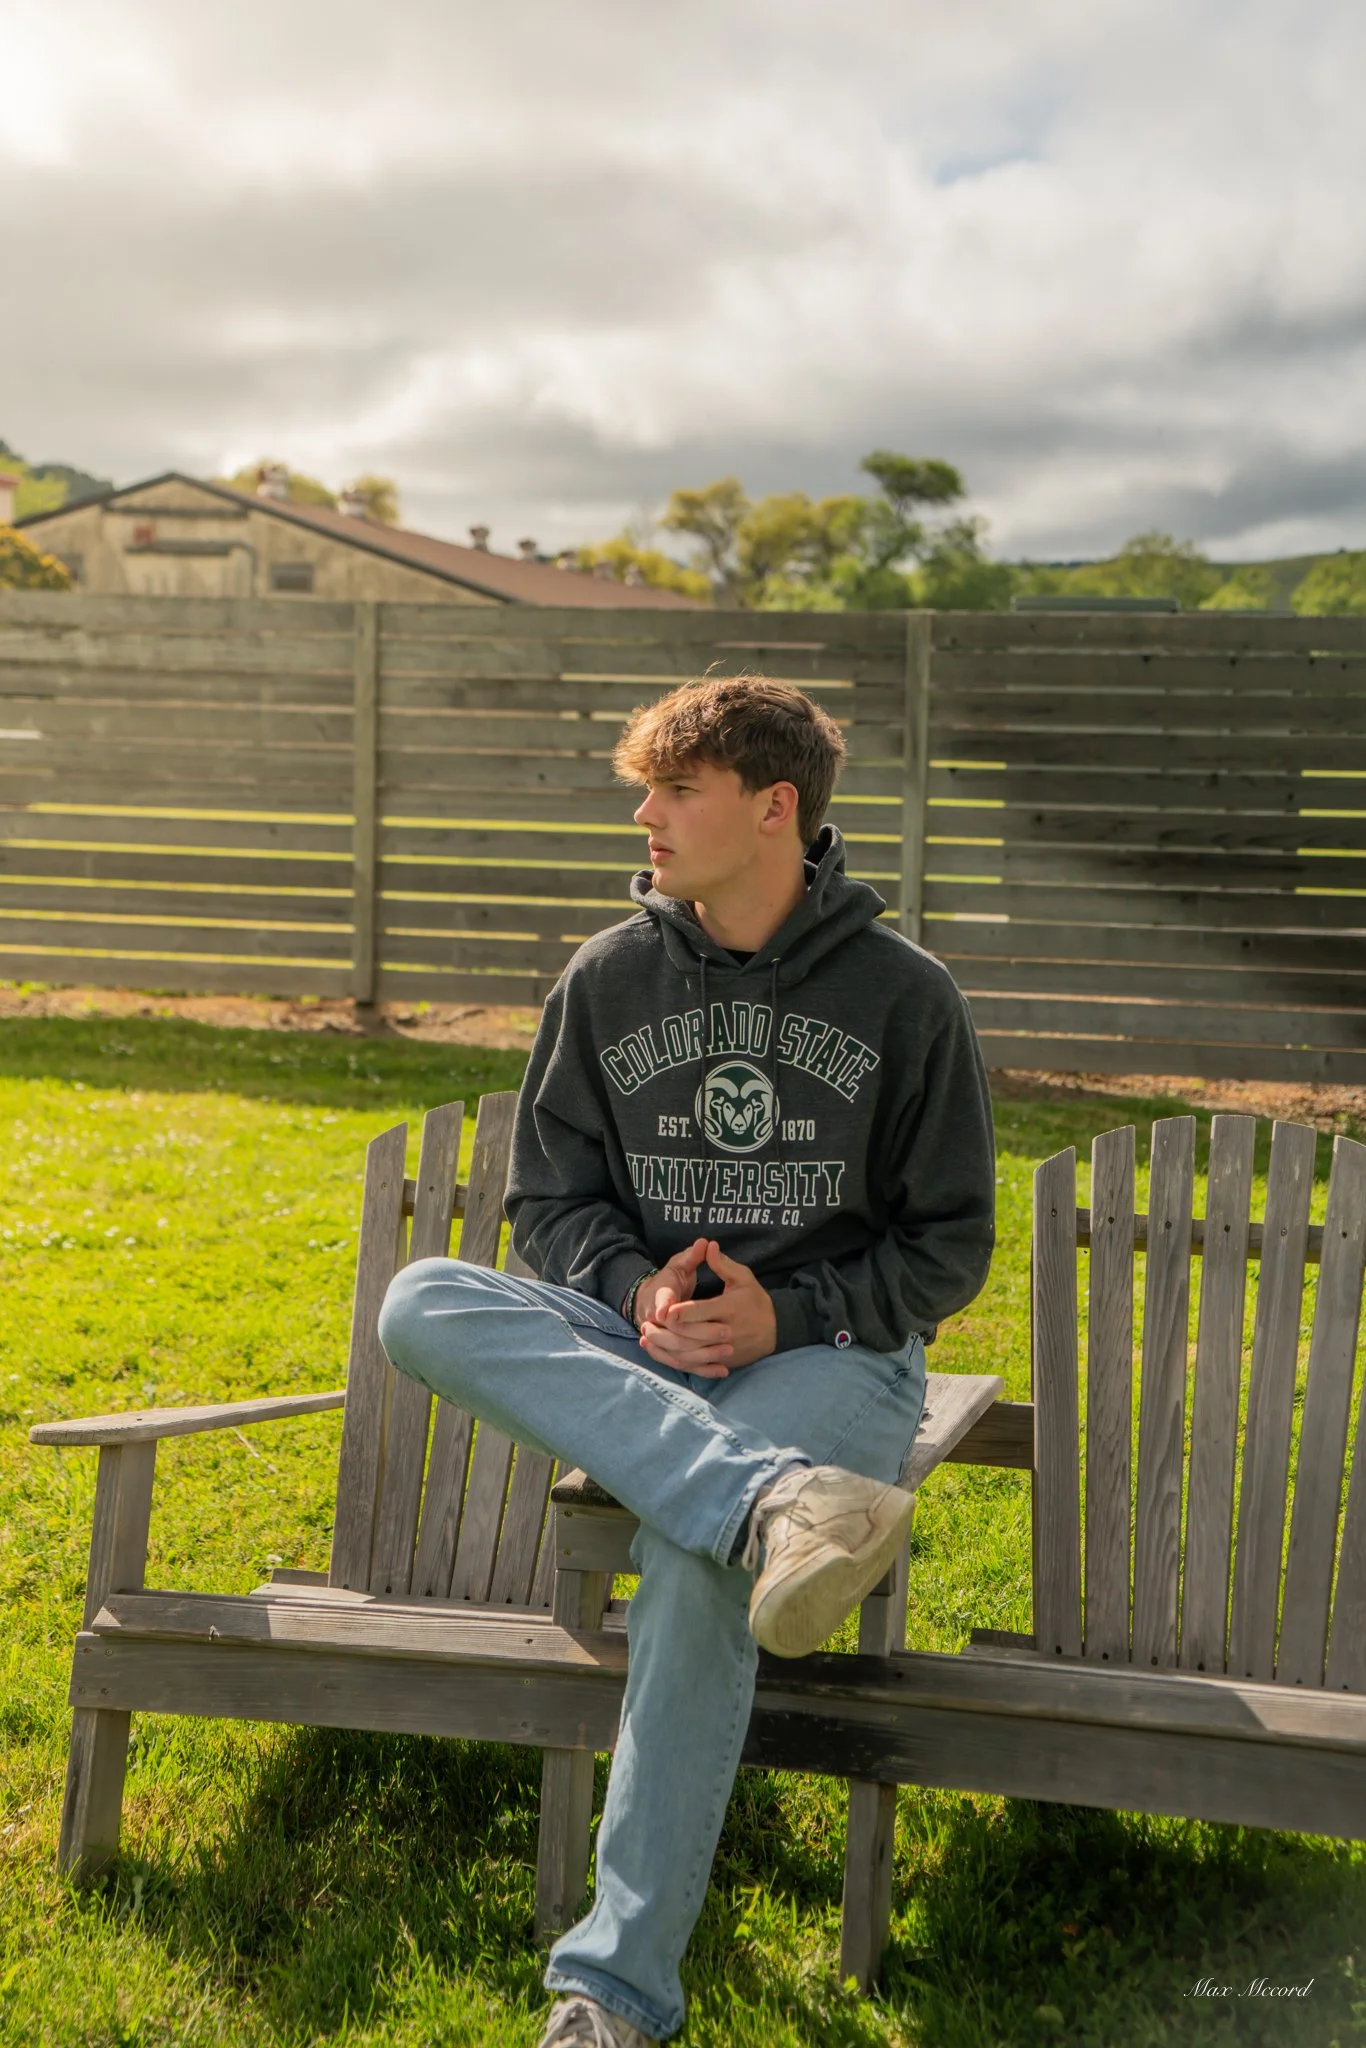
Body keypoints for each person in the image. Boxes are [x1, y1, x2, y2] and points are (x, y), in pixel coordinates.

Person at [378, 674, 995, 2047]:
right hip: (645, 1341)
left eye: (675, 789)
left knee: (686, 1554)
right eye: (644, 790)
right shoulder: (606, 978)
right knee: (421, 1299)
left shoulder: (906, 997)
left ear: (774, 808)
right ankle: (772, 1504)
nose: (644, 816)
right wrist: (633, 1286)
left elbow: (947, 1247)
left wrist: (789, 1313)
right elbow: (552, 1204)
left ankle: (610, 1994)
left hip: (834, 1352)